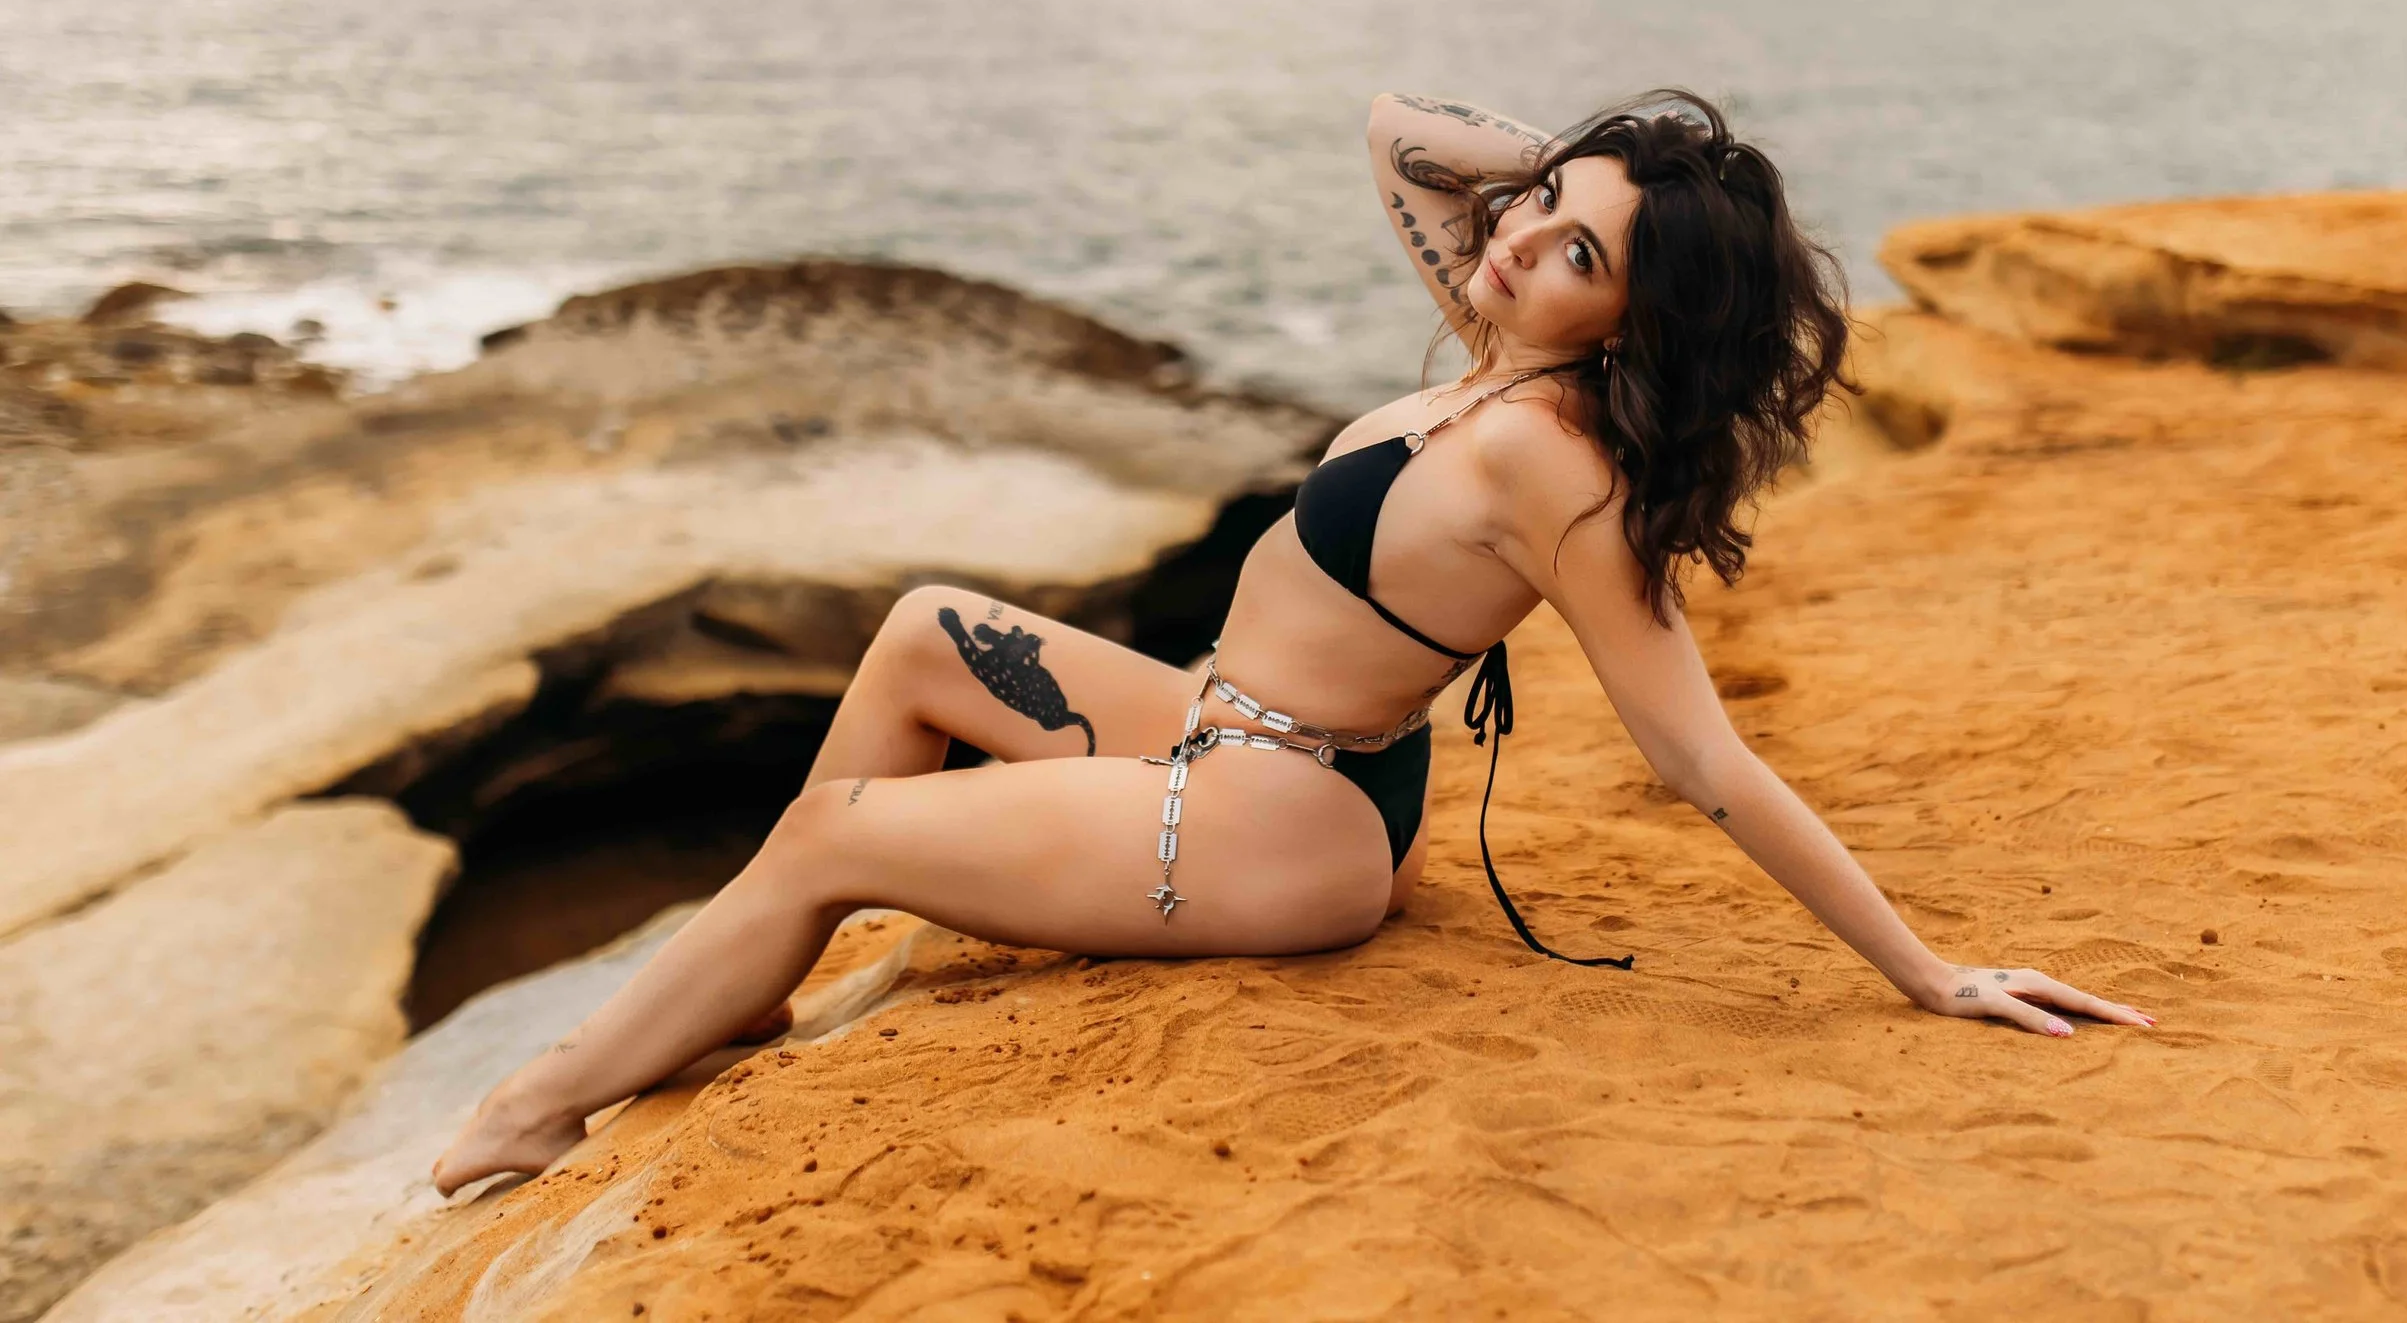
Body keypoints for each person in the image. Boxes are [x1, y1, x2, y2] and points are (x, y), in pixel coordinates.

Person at [433, 89, 2152, 1195]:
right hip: (1218, 728)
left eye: (1575, 254)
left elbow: (1700, 757)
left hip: (1285, 820)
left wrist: (1928, 971)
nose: (1514, 245)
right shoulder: (1496, 354)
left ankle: (542, 1105)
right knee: (916, 635)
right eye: (1538, 209)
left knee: (832, 836)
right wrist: (1582, 188)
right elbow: (1403, 133)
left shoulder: (1546, 464)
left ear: (1641, 317)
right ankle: (746, 985)